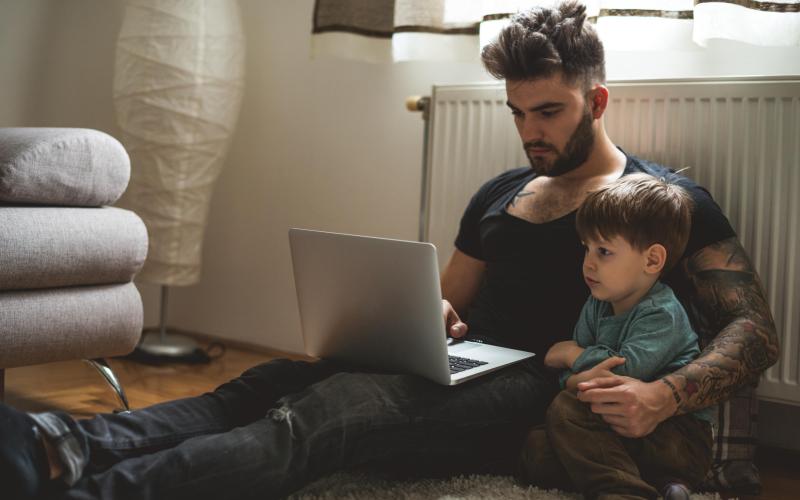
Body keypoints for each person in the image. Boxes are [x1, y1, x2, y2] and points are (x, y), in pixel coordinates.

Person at [0, 2, 778, 499]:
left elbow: (753, 330)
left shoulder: (661, 202)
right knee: (267, 381)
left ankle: (98, 488)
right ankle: (66, 441)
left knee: (323, 418)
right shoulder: (502, 192)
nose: (532, 132)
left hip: (534, 391)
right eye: (517, 113)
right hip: (461, 366)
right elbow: (447, 302)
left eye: (549, 111)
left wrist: (665, 395)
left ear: (597, 101)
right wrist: (431, 315)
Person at [519, 173, 714, 499]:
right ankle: (660, 485)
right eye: (586, 249)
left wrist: (571, 356)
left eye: (604, 252)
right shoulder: (597, 304)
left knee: (568, 409)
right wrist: (572, 378)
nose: (588, 264)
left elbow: (620, 373)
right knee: (537, 447)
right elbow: (576, 380)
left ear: (652, 260)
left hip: (678, 436)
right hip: (619, 430)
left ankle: (625, 491)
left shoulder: (660, 313)